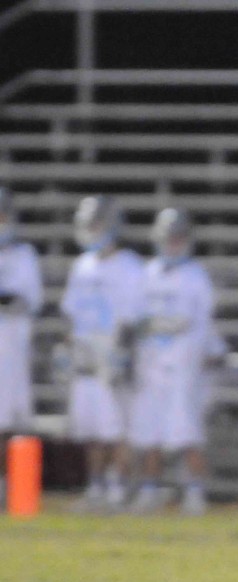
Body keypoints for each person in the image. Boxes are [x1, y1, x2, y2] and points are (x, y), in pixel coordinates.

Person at [126, 208, 216, 515]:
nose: (173, 244)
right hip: (151, 364)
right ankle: (149, 490)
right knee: (149, 433)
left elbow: (202, 321)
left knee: (186, 432)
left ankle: (195, 492)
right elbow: (134, 317)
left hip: (182, 367)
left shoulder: (196, 276)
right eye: (168, 238)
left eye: (178, 238)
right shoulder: (147, 273)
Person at [60, 195, 145, 511]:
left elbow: (134, 315)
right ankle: (96, 486)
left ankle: (118, 487)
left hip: (112, 354)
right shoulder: (81, 266)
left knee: (117, 429)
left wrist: (122, 352)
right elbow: (72, 314)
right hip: (85, 356)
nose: (93, 230)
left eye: (98, 224)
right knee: (91, 430)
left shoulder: (129, 265)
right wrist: (67, 346)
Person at [0, 188, 43, 508]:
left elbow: (28, 300)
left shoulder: (23, 255)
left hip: (11, 353)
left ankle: (11, 486)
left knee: (10, 424)